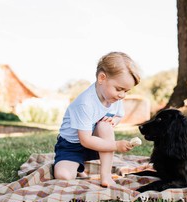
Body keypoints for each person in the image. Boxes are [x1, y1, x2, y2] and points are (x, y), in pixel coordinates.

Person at [54, 51, 141, 187]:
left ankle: (105, 176)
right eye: (119, 89)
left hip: (96, 143)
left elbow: (118, 115)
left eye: (126, 91)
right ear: (102, 78)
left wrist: (113, 122)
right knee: (63, 176)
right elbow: (85, 140)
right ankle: (76, 166)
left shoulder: (113, 97)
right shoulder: (85, 103)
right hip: (71, 145)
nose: (122, 95)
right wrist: (116, 145)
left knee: (105, 126)